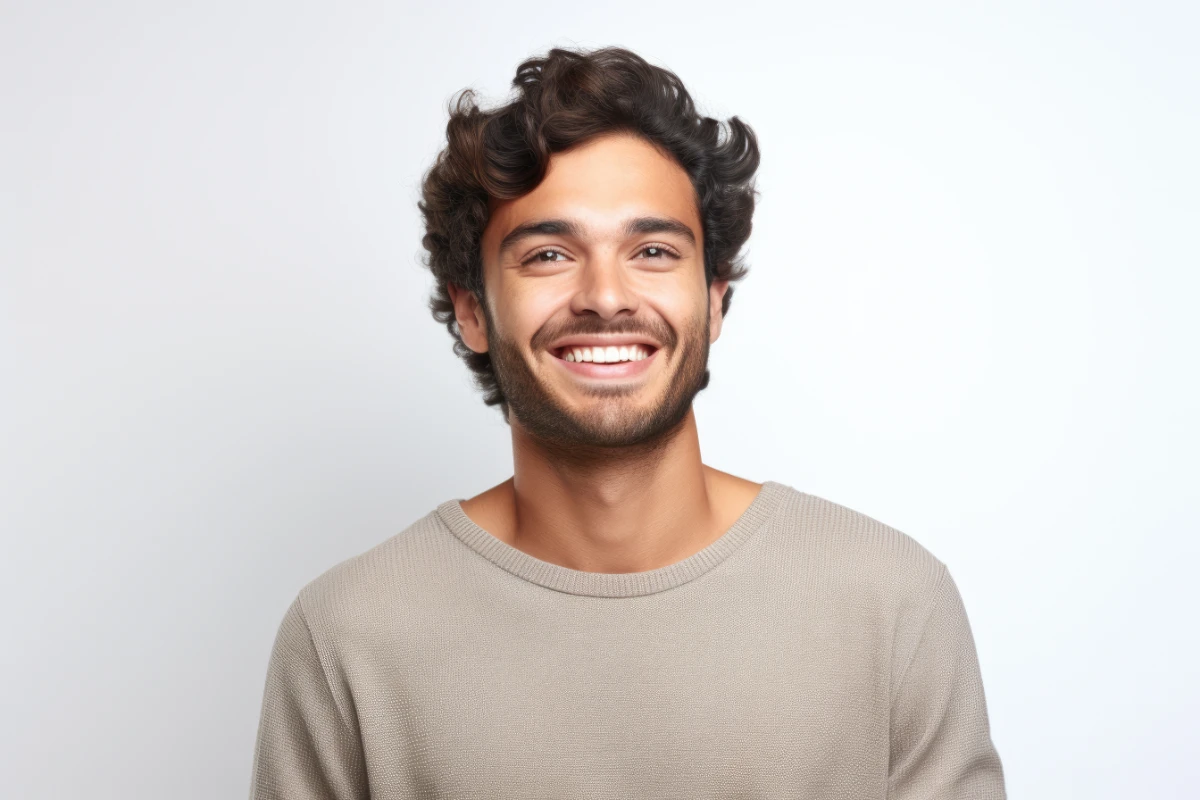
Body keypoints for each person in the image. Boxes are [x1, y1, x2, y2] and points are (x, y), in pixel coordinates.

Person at [248, 46, 1006, 799]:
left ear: (714, 301)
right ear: (473, 308)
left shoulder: (892, 605)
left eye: (651, 250)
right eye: (548, 254)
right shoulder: (347, 638)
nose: (606, 296)